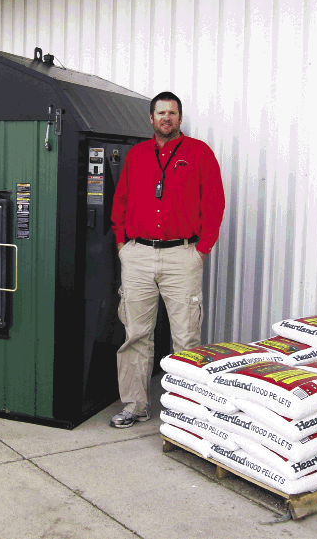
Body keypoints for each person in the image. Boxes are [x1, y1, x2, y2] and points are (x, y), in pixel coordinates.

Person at [109, 91, 225, 428]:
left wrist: (201, 250)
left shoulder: (199, 153)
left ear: (180, 118)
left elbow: (214, 203)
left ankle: (185, 412)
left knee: (186, 337)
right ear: (151, 118)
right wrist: (122, 244)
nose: (167, 118)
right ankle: (135, 405)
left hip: (181, 256)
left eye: (172, 113)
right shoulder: (137, 155)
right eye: (161, 113)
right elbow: (121, 200)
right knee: (136, 334)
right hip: (138, 255)